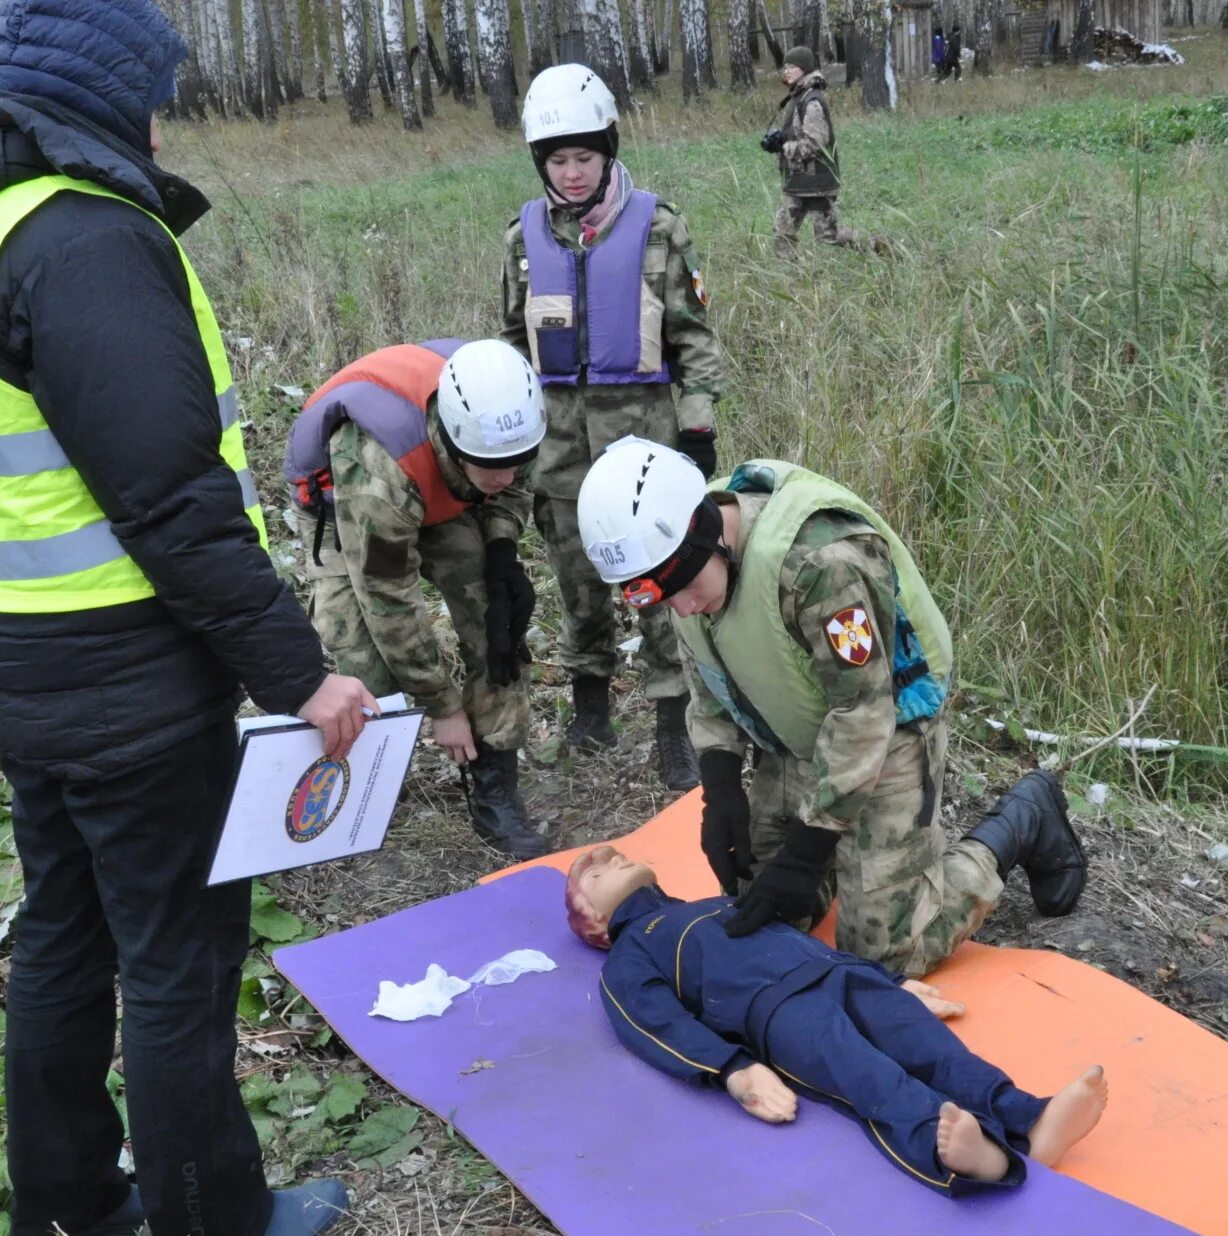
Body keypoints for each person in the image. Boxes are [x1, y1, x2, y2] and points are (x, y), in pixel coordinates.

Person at [0, 0, 369, 1236]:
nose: (157, 124)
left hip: (13, 657)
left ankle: (63, 1205)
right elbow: (170, 499)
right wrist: (300, 674)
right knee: (179, 951)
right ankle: (214, 1227)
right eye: (150, 99)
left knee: (64, 929)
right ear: (93, 94)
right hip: (125, 674)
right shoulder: (75, 234)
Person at [576, 442, 1088, 979]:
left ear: (704, 530)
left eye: (680, 587)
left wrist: (808, 848)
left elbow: (865, 713)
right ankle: (852, 862)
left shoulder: (822, 565)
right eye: (653, 596)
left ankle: (1020, 821)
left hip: (888, 729)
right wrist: (720, 786)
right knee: (761, 909)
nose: (678, 606)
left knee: (882, 956)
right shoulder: (681, 570)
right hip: (798, 732)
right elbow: (709, 678)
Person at [567, 843, 1110, 1193]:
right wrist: (733, 1069)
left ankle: (1031, 1121)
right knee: (869, 1076)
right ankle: (975, 1161)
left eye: (611, 855)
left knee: (932, 1048)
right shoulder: (631, 954)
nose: (609, 857)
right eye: (591, 872)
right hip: (778, 1013)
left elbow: (786, 937)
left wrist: (896, 984)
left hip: (837, 972)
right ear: (592, 922)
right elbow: (654, 1024)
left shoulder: (712, 903)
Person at [500, 63, 724, 793]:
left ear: (608, 151)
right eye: (558, 160)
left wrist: (697, 428)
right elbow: (509, 346)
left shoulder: (660, 226)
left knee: (659, 589)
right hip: (559, 453)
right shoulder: (522, 240)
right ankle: (589, 711)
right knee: (579, 590)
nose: (571, 173)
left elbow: (693, 338)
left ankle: (672, 724)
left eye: (584, 158)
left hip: (645, 450)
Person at [287, 338, 551, 858]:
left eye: (515, 462)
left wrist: (500, 546)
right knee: (363, 657)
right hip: (344, 508)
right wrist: (442, 705)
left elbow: (514, 486)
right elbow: (388, 599)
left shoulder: (514, 416)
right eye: (490, 466)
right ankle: (362, 789)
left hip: (445, 494)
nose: (505, 476)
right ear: (453, 441)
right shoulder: (378, 473)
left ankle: (494, 783)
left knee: (497, 620)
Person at [765, 47, 879, 260]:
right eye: (785, 67)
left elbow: (814, 144)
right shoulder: (799, 97)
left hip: (816, 182)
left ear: (804, 69)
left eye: (791, 67)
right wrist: (780, 139)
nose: (786, 71)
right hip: (799, 181)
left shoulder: (812, 101)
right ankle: (790, 278)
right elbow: (798, 133)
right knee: (783, 231)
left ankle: (875, 245)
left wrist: (783, 147)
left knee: (828, 235)